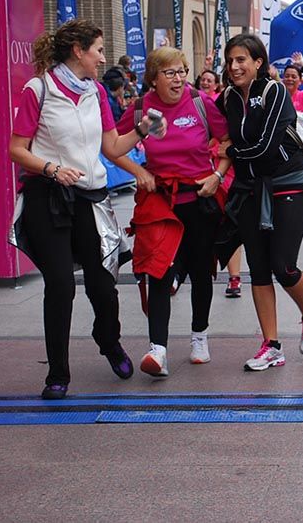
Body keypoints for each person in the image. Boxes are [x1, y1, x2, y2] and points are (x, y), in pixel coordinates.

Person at [9, 19, 162, 399]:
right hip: (48, 197)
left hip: (90, 198)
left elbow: (110, 147)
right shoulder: (38, 89)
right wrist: (52, 168)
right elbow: (16, 148)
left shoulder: (95, 92)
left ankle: (108, 342)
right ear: (78, 51)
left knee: (103, 287)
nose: (103, 58)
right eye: (98, 50)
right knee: (60, 285)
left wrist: (142, 129)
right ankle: (57, 375)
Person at [115, 47, 230, 377]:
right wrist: (139, 171)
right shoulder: (140, 108)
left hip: (198, 197)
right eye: (170, 73)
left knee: (199, 269)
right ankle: (158, 350)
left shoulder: (200, 103)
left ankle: (199, 336)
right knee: (158, 271)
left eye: (182, 71)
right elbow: (112, 146)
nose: (178, 79)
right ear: (153, 79)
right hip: (160, 200)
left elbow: (226, 144)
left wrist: (217, 175)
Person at [218, 33, 303, 371]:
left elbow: (265, 146)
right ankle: (272, 345)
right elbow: (215, 132)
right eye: (230, 61)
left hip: (290, 182)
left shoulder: (273, 91)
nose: (234, 67)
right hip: (251, 187)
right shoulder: (228, 98)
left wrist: (231, 152)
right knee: (259, 269)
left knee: (283, 265)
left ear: (258, 62)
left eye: (241, 60)